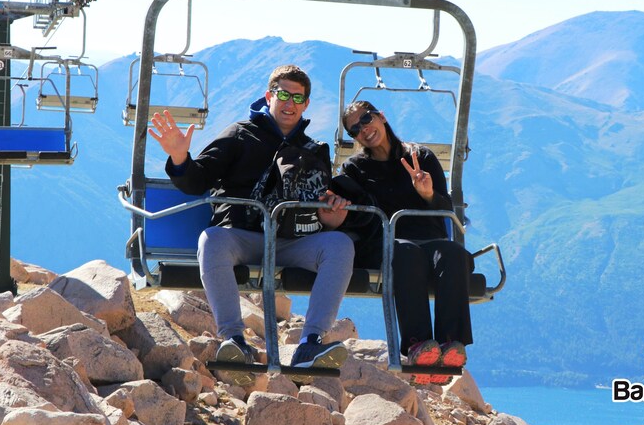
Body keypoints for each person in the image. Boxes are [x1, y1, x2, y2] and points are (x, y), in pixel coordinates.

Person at [149, 64, 354, 386]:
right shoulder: (239, 134)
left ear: (306, 104)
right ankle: (235, 340)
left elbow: (316, 207)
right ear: (269, 96)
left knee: (340, 245)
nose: (290, 103)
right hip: (242, 235)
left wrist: (331, 215)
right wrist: (179, 157)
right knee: (212, 240)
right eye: (283, 94)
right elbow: (196, 181)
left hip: (290, 240)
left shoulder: (313, 150)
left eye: (298, 98)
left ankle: (310, 344)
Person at [334, 100, 474, 385]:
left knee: (454, 253)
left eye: (367, 118)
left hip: (430, 239)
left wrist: (427, 192)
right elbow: (353, 214)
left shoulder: (420, 156)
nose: (364, 129)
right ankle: (417, 344)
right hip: (385, 244)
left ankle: (450, 344)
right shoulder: (355, 169)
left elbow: (444, 206)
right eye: (355, 129)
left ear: (381, 116)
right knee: (405, 252)